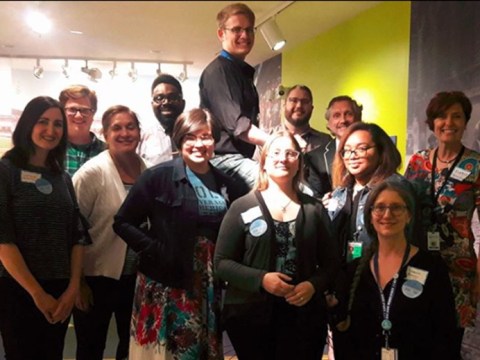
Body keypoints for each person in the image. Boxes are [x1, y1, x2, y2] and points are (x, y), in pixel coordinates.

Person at [113, 108, 247, 359]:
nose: (199, 144)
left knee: (202, 348)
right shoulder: (157, 177)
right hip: (166, 279)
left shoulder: (229, 182)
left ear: (215, 140)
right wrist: (156, 250)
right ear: (180, 140)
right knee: (168, 351)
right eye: (190, 137)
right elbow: (123, 222)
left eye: (206, 136)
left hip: (208, 280)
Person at [214, 130, 339, 360]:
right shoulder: (241, 206)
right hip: (250, 317)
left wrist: (312, 285)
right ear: (264, 161)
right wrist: (261, 279)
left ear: (299, 162)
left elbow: (332, 264)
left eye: (291, 153)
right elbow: (221, 263)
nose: (283, 158)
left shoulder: (314, 209)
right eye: (276, 152)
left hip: (305, 319)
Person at [0, 96, 89, 359]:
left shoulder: (62, 177)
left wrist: (72, 288)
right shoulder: (6, 171)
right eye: (43, 122)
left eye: (58, 124)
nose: (51, 131)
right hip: (18, 289)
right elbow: (3, 240)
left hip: (61, 289)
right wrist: (37, 294)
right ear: (28, 124)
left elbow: (77, 236)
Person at [331, 181, 457, 359]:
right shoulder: (353, 271)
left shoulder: (431, 267)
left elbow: (445, 334)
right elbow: (345, 336)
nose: (387, 214)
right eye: (380, 207)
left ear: (409, 216)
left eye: (396, 207)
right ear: (370, 216)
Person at [404, 91, 480, 356]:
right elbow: (404, 209)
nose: (449, 122)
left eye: (457, 116)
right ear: (432, 122)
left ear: (466, 121)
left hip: (457, 266)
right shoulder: (417, 161)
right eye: (442, 116)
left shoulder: (476, 164)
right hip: (418, 258)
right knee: (417, 330)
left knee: (448, 339)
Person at [72, 105, 148, 360]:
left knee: (130, 348)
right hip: (95, 277)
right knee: (90, 347)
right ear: (105, 134)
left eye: (130, 127)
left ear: (139, 132)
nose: (125, 133)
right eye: (117, 127)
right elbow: (72, 229)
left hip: (136, 280)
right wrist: (78, 283)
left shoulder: (148, 172)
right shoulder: (92, 173)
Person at [199, 2, 269, 189]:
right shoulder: (219, 72)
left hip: (237, 160)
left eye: (249, 30)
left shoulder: (240, 72)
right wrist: (274, 142)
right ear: (222, 34)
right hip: (223, 161)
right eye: (237, 29)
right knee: (280, 184)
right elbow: (239, 126)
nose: (245, 35)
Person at [304, 95, 363, 198]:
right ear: (329, 124)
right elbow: (315, 198)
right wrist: (323, 203)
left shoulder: (373, 151)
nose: (343, 120)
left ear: (358, 119)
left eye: (348, 114)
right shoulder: (314, 158)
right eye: (336, 115)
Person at [137, 73, 186, 165]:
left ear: (182, 103)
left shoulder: (195, 134)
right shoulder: (143, 139)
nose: (166, 102)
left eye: (172, 97)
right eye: (159, 98)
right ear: (152, 105)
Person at [59, 84, 106, 176]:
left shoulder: (105, 151)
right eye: (72, 109)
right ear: (62, 112)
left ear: (93, 114)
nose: (78, 116)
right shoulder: (52, 148)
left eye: (85, 110)